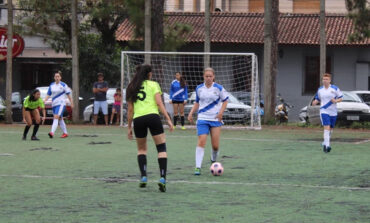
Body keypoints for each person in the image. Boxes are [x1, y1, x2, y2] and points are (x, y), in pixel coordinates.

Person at [126, 64, 173, 192]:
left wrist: (129, 127)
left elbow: (130, 110)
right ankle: (162, 177)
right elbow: (159, 103)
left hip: (139, 119)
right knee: (161, 148)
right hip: (153, 117)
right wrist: (168, 119)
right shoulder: (153, 85)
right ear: (149, 74)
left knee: (141, 150)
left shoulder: (131, 87)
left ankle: (143, 177)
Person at [188, 67, 229, 175]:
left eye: (210, 76)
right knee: (201, 141)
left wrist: (221, 112)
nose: (208, 78)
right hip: (202, 118)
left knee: (215, 146)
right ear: (203, 77)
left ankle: (213, 160)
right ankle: (198, 167)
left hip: (215, 119)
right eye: (206, 76)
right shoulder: (199, 88)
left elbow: (225, 101)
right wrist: (191, 113)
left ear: (213, 77)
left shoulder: (219, 88)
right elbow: (197, 102)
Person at [311, 73, 343, 153]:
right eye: (323, 79)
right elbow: (317, 99)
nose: (325, 81)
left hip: (333, 112)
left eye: (326, 79)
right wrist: (314, 102)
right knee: (327, 127)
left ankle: (325, 142)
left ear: (330, 80)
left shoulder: (335, 88)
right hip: (324, 111)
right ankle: (327, 146)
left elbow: (341, 98)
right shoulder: (320, 89)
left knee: (331, 129)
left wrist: (335, 101)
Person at [44, 71, 74, 138]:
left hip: (61, 104)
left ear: (60, 77)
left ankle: (52, 132)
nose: (57, 78)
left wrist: (71, 103)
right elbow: (48, 94)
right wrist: (44, 101)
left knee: (56, 117)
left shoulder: (63, 85)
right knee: (60, 118)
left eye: (58, 76)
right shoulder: (52, 85)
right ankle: (65, 133)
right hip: (54, 104)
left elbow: (68, 95)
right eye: (56, 76)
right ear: (54, 78)